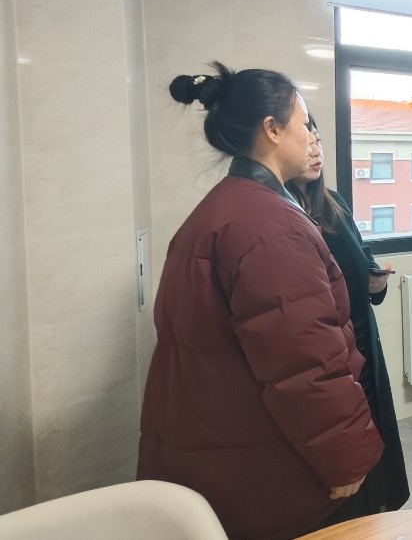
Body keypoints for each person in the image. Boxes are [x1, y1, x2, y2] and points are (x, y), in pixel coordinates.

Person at [138, 63, 383, 540]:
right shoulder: (269, 229)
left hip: (218, 450)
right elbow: (307, 368)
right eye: (304, 122)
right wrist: (347, 458)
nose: (311, 135)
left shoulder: (223, 208)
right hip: (263, 470)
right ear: (272, 129)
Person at [286, 116, 410, 521]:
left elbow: (363, 257)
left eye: (319, 141)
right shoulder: (285, 215)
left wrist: (375, 281)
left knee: (374, 442)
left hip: (362, 342)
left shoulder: (334, 203)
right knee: (346, 461)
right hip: (330, 352)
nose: (316, 150)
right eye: (307, 141)